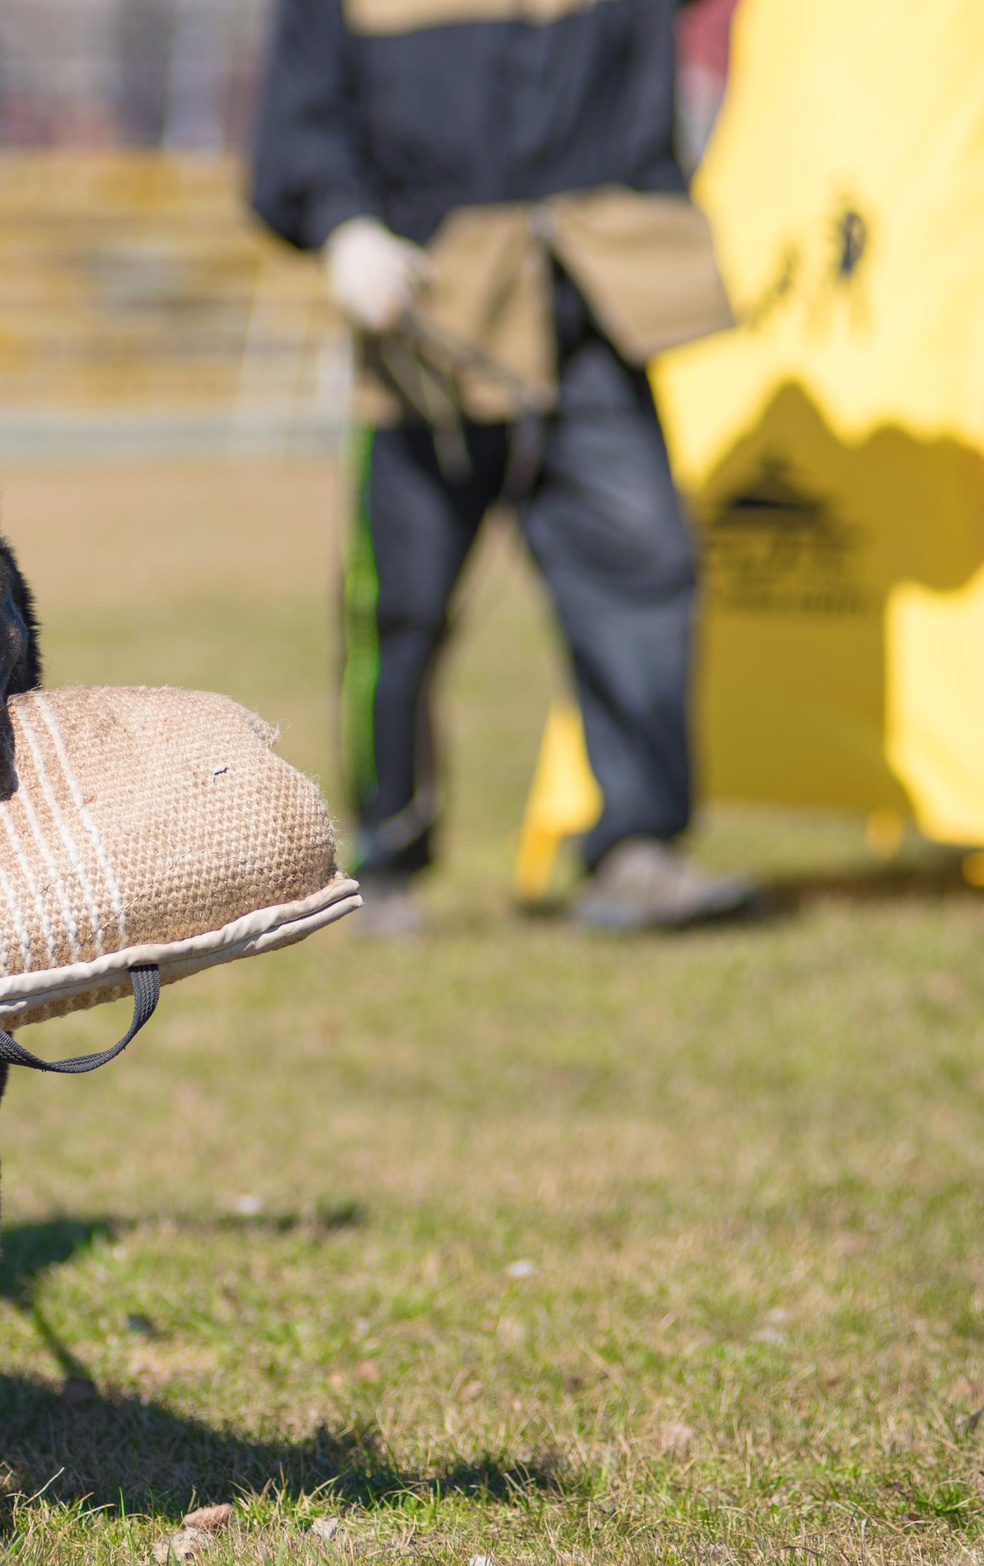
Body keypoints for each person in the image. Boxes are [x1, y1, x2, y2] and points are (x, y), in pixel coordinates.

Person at [250, 0, 760, 934]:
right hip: (429, 318)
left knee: (645, 577)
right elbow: (297, 126)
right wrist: (342, 226)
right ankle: (384, 865)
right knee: (394, 612)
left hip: (600, 311)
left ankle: (640, 851)